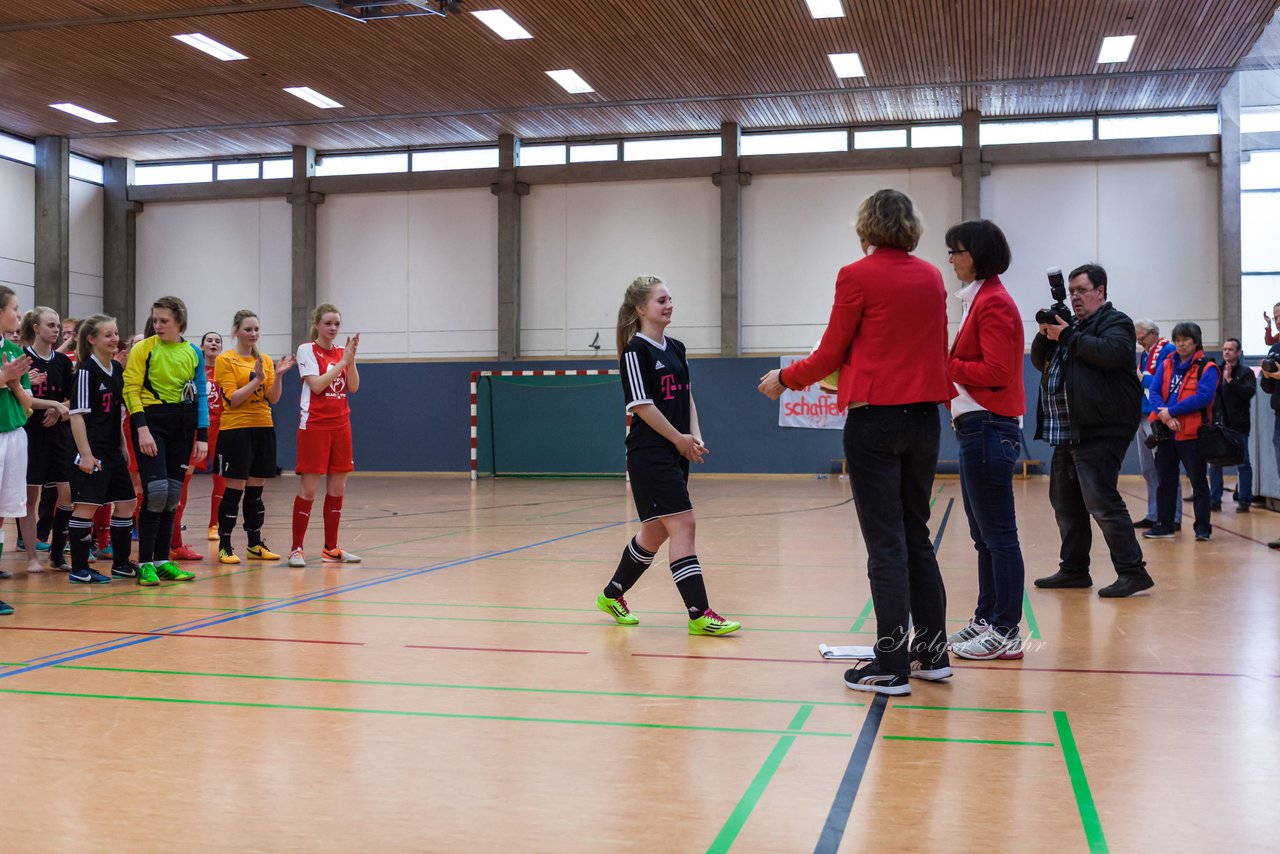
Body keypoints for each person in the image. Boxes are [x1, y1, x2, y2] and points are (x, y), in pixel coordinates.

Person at [759, 188, 952, 694]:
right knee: (916, 537)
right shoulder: (932, 275)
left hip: (876, 423)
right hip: (925, 421)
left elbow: (829, 353)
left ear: (866, 226)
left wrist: (786, 378)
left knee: (885, 543)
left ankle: (890, 665)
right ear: (911, 226)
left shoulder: (856, 275)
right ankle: (932, 655)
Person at [596, 276, 741, 637]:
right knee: (684, 526)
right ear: (641, 309)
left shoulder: (676, 347)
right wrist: (678, 438)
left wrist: (694, 436)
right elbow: (642, 406)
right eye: (661, 300)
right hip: (650, 454)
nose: (669, 305)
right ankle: (699, 613)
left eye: (670, 299)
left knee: (654, 533)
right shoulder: (635, 351)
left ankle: (612, 594)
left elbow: (686, 396)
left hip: (675, 450)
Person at [1032, 264, 1153, 597]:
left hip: (1103, 426)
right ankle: (1073, 569)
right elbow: (1039, 362)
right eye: (1071, 292)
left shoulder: (1116, 322)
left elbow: (1111, 354)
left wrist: (1068, 334)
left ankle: (1132, 571)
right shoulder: (1073, 327)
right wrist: (1046, 333)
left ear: (1100, 291)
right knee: (1065, 501)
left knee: (1101, 500)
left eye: (1081, 291)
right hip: (1070, 428)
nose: (1075, 298)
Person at [940, 220, 1028, 661]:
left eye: (955, 251)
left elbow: (997, 372)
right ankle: (988, 617)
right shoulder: (979, 301)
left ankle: (1007, 630)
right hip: (976, 429)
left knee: (999, 535)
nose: (951, 260)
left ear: (976, 253)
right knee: (983, 535)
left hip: (990, 428)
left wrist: (947, 364)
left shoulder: (994, 304)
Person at [122, 296, 206, 586]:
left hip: (182, 427)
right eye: (155, 319)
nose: (157, 325)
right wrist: (142, 429)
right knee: (155, 492)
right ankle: (145, 563)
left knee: (172, 495)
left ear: (179, 321)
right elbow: (131, 389)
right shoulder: (143, 349)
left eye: (164, 321)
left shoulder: (194, 352)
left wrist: (202, 436)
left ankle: (162, 561)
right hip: (151, 424)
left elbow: (202, 396)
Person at [65, 315, 141, 584]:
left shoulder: (117, 370)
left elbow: (117, 414)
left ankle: (120, 564)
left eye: (116, 333)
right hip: (92, 449)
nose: (114, 339)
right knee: (86, 507)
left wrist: (122, 446)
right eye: (108, 335)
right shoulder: (86, 371)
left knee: (127, 503)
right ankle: (79, 569)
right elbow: (76, 415)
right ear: (92, 339)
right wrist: (85, 454)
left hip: (112, 449)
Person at [214, 310, 294, 564]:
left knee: (256, 491)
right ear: (236, 330)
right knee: (234, 489)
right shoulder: (226, 360)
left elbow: (273, 398)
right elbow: (233, 399)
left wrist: (277, 375)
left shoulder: (266, 360)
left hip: (263, 426)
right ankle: (225, 545)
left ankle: (254, 543)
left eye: (257, 329)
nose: (253, 334)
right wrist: (257, 379)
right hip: (236, 429)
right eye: (248, 329)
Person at [289, 304, 361, 567]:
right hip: (314, 426)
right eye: (328, 323)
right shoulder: (306, 350)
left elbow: (353, 387)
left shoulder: (343, 353)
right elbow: (317, 386)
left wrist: (350, 360)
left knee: (337, 488)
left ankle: (331, 548)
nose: (333, 328)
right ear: (316, 324)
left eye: (337, 324)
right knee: (309, 488)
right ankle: (296, 549)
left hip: (341, 426)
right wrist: (342, 362)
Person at [1145, 322, 1218, 541]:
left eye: (1185, 339)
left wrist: (1172, 411)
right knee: (1165, 481)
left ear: (1195, 342)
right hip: (1167, 433)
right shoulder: (1167, 364)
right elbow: (1155, 391)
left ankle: (1202, 528)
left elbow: (1204, 397)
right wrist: (1164, 415)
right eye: (1177, 340)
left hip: (1193, 434)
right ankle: (1165, 525)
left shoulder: (1208, 367)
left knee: (1198, 482)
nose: (1180, 344)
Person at [19, 307, 75, 572]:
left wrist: (57, 409)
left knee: (67, 495)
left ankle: (57, 551)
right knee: (31, 498)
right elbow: (23, 399)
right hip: (32, 434)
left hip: (58, 435)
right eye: (50, 325)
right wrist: (50, 404)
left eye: (57, 325)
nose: (56, 329)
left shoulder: (63, 362)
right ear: (36, 328)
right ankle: (31, 555)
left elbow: (72, 400)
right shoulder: (22, 359)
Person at [0, 287, 34, 601]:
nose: (18, 315)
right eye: (14, 308)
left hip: (14, 433)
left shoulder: (12, 350)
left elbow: (26, 402)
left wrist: (14, 383)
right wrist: (4, 377)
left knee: (4, 510)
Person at [1132, 320, 1181, 529]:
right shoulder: (1145, 354)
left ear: (1154, 334)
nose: (1140, 342)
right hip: (1142, 414)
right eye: (1138, 339)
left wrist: (1143, 379)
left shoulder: (1168, 350)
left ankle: (1172, 516)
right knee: (1148, 469)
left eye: (1142, 338)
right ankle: (1153, 513)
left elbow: (1163, 383)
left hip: (1158, 415)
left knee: (1164, 468)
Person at [1208, 337, 1255, 514]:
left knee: (1243, 463)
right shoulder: (1216, 371)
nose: (1226, 352)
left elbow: (1248, 393)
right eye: (1225, 349)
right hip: (1219, 425)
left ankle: (1244, 500)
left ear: (1238, 353)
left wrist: (1230, 381)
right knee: (1214, 463)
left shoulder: (1246, 373)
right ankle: (1214, 499)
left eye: (1230, 349)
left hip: (1239, 425)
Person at [199, 331, 225, 542]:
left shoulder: (225, 369)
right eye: (210, 340)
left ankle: (215, 524)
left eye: (217, 341)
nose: (213, 343)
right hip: (198, 428)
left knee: (221, 479)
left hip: (220, 428)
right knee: (183, 477)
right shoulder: (195, 369)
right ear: (202, 345)